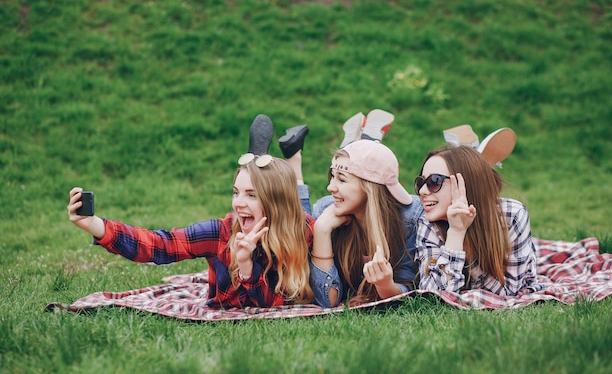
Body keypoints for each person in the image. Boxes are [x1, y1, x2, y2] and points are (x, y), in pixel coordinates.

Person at [67, 114, 315, 309]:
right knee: (262, 209)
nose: (238, 202)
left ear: (274, 201)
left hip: (287, 219)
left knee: (304, 203)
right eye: (235, 192)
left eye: (251, 194)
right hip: (276, 214)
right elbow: (161, 245)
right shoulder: (220, 233)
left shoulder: (304, 231)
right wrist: (94, 224)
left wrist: (247, 266)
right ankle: (265, 160)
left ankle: (293, 159)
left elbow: (274, 302)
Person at [278, 110, 423, 308]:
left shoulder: (409, 218)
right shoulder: (326, 211)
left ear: (369, 187)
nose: (330, 187)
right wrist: (321, 231)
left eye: (342, 179)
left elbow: (410, 291)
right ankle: (298, 161)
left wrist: (385, 285)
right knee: (299, 224)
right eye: (333, 177)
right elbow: (326, 301)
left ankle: (367, 140)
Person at [413, 145, 543, 296]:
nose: (422, 191)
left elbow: (509, 291)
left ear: (467, 184)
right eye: (421, 182)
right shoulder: (428, 224)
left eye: (434, 181)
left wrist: (469, 250)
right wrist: (456, 233)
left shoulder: (512, 215)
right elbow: (433, 295)